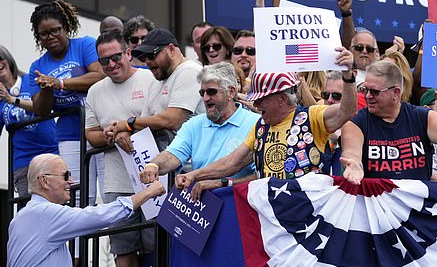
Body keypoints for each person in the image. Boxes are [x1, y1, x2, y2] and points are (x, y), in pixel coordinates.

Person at [2, 153, 164, 267]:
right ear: (44, 181)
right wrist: (147, 193)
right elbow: (98, 216)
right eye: (65, 175)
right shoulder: (43, 214)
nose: (71, 181)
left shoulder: (29, 216)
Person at [175, 47, 358, 200]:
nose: (255, 105)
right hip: (271, 219)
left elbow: (347, 111)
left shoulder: (313, 117)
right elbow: (231, 163)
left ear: (281, 98)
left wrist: (348, 76)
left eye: (261, 99)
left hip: (310, 214)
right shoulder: (260, 126)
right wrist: (194, 175)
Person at [84, 31, 161, 267]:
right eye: (104, 61)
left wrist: (127, 127)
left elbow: (163, 120)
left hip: (152, 173)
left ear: (128, 53)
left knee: (155, 243)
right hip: (117, 179)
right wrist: (108, 135)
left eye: (116, 57)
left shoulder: (149, 79)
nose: (112, 65)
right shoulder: (95, 91)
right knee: (123, 248)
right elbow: (89, 132)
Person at [139, 62, 259, 198]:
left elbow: (260, 176)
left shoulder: (255, 123)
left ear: (231, 92)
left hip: (240, 204)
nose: (206, 98)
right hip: (201, 207)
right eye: (202, 92)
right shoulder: (194, 124)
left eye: (212, 92)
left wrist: (223, 183)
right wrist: (154, 165)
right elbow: (171, 156)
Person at [28, 0, 105, 206]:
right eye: (44, 34)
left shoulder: (85, 45)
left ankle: (115, 239)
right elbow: (40, 110)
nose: (50, 37)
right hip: (70, 134)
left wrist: (60, 83)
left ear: (67, 27)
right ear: (38, 37)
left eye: (55, 30)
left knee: (108, 192)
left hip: (101, 127)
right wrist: (46, 89)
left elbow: (99, 75)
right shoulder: (38, 66)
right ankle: (80, 241)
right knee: (78, 196)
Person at [341, 60, 437, 183]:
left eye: (374, 92)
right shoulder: (356, 122)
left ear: (396, 93)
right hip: (376, 201)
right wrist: (354, 165)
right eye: (365, 89)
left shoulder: (423, 117)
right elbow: (351, 153)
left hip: (417, 202)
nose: (367, 96)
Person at [0, 44, 58, 196]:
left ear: (7, 59)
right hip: (24, 162)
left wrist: (11, 99)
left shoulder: (30, 80)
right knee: (29, 213)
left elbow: (42, 108)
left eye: (0, 58)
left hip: (51, 153)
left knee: (56, 209)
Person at [114, 28, 204, 140]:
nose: (147, 61)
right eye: (143, 57)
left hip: (192, 154)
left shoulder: (190, 71)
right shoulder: (157, 80)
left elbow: (172, 120)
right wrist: (125, 132)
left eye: (151, 55)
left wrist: (129, 124)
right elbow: (144, 123)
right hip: (167, 153)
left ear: (171, 49)